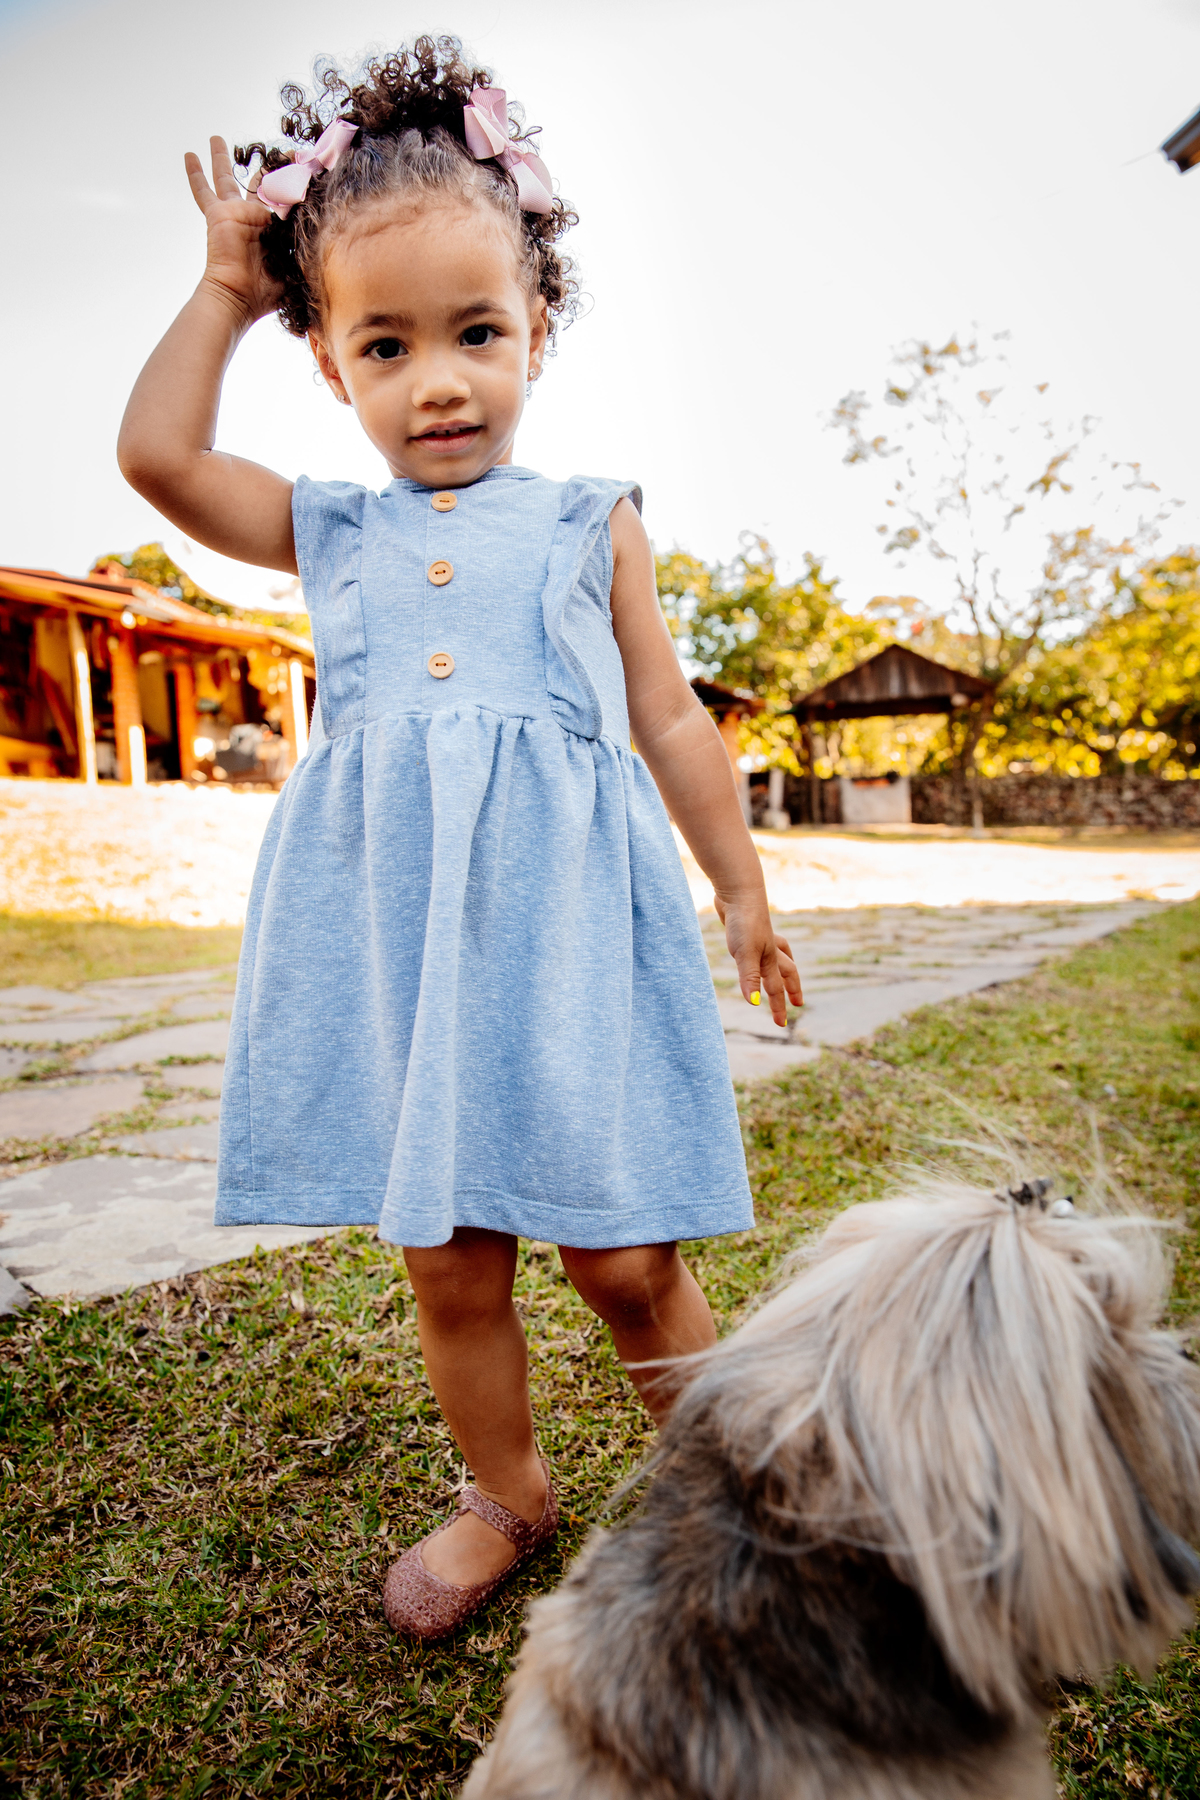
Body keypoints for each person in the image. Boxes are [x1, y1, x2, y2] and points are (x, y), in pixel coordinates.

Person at [118, 35, 802, 1642]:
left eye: (478, 333)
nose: (439, 380)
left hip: (570, 936)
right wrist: (228, 284)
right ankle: (510, 1490)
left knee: (628, 1260)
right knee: (451, 1260)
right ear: (331, 369)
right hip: (408, 945)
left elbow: (673, 719)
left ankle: (744, 1502)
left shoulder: (589, 519)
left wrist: (744, 883)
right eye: (386, 345)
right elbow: (154, 460)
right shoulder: (326, 527)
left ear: (537, 332)